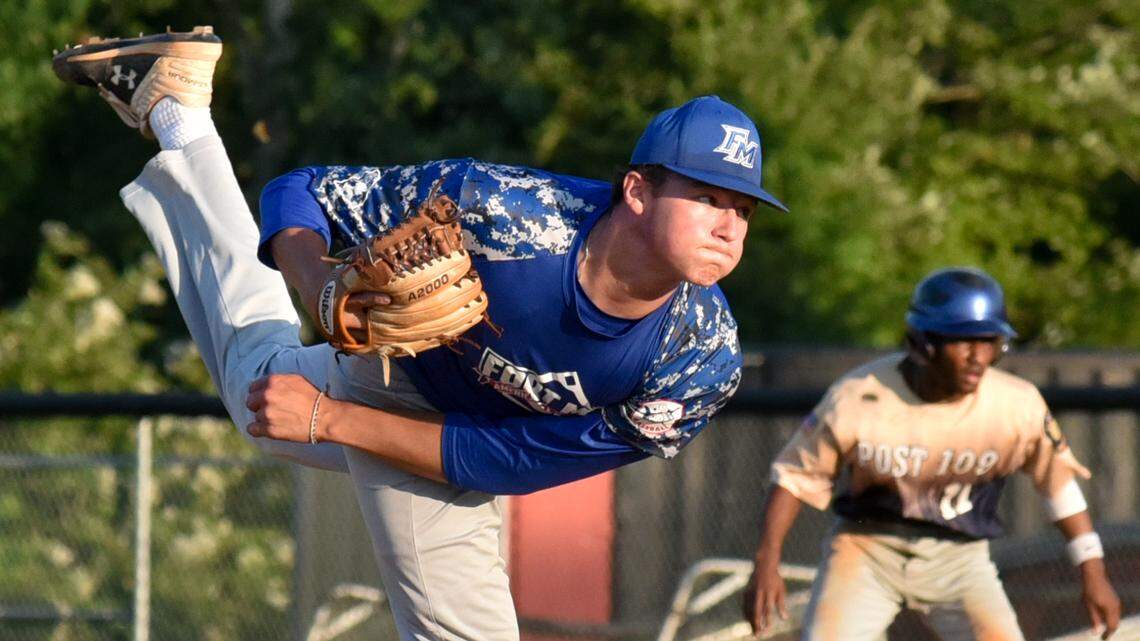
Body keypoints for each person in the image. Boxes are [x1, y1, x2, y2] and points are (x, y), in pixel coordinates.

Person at [52, 26, 788, 641]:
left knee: (258, 394)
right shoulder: (506, 215)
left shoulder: (699, 361)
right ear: (638, 191)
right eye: (707, 196)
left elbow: (510, 460)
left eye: (744, 209)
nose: (729, 225)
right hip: (400, 374)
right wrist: (321, 290)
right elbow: (302, 191)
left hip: (473, 445)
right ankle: (177, 110)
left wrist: (328, 418)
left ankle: (176, 111)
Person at [742, 267, 1122, 641]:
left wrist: (1093, 572)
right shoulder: (860, 395)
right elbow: (794, 478)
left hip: (960, 560)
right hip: (868, 549)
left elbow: (1059, 488)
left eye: (989, 341)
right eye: (963, 341)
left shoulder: (1015, 404)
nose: (978, 356)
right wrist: (766, 561)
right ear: (923, 344)